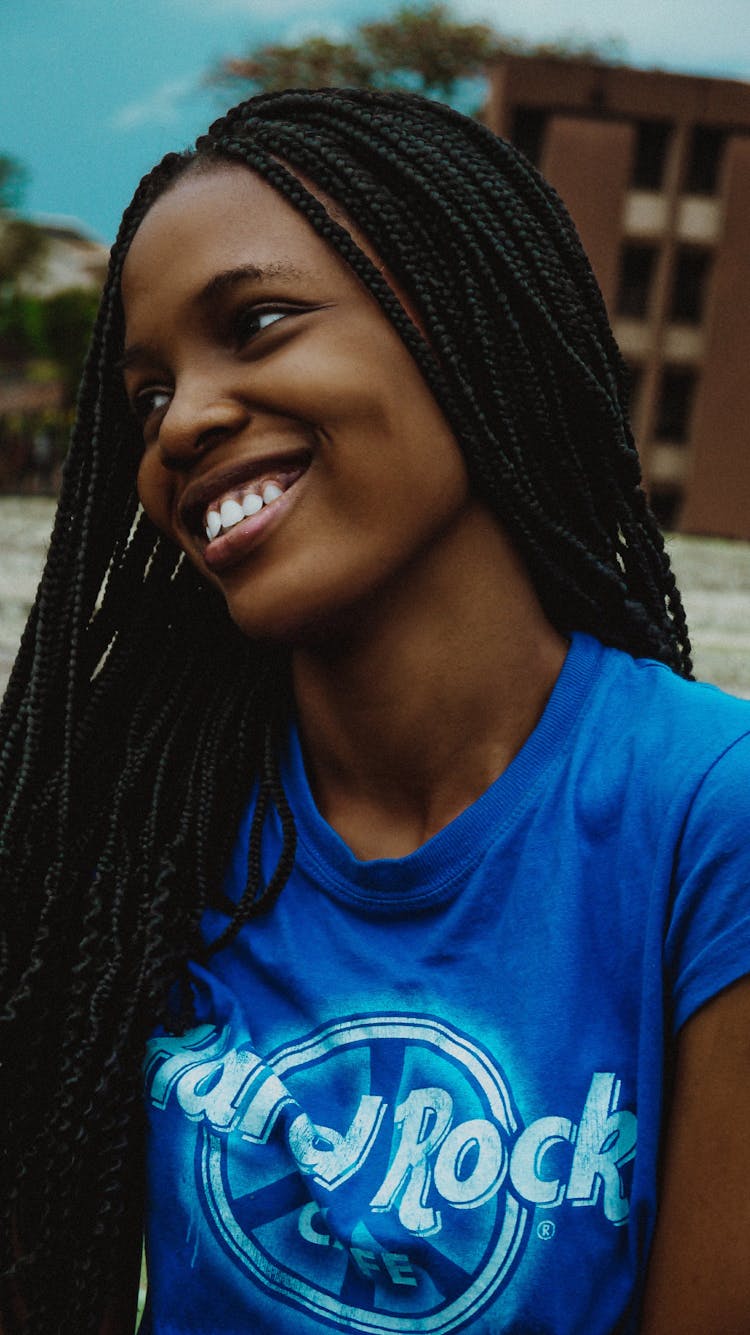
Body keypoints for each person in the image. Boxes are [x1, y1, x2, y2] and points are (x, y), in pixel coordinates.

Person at [1, 87, 749, 1335]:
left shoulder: (705, 816)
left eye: (259, 322)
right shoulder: (138, 817)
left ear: (466, 323)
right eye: (145, 394)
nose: (181, 421)